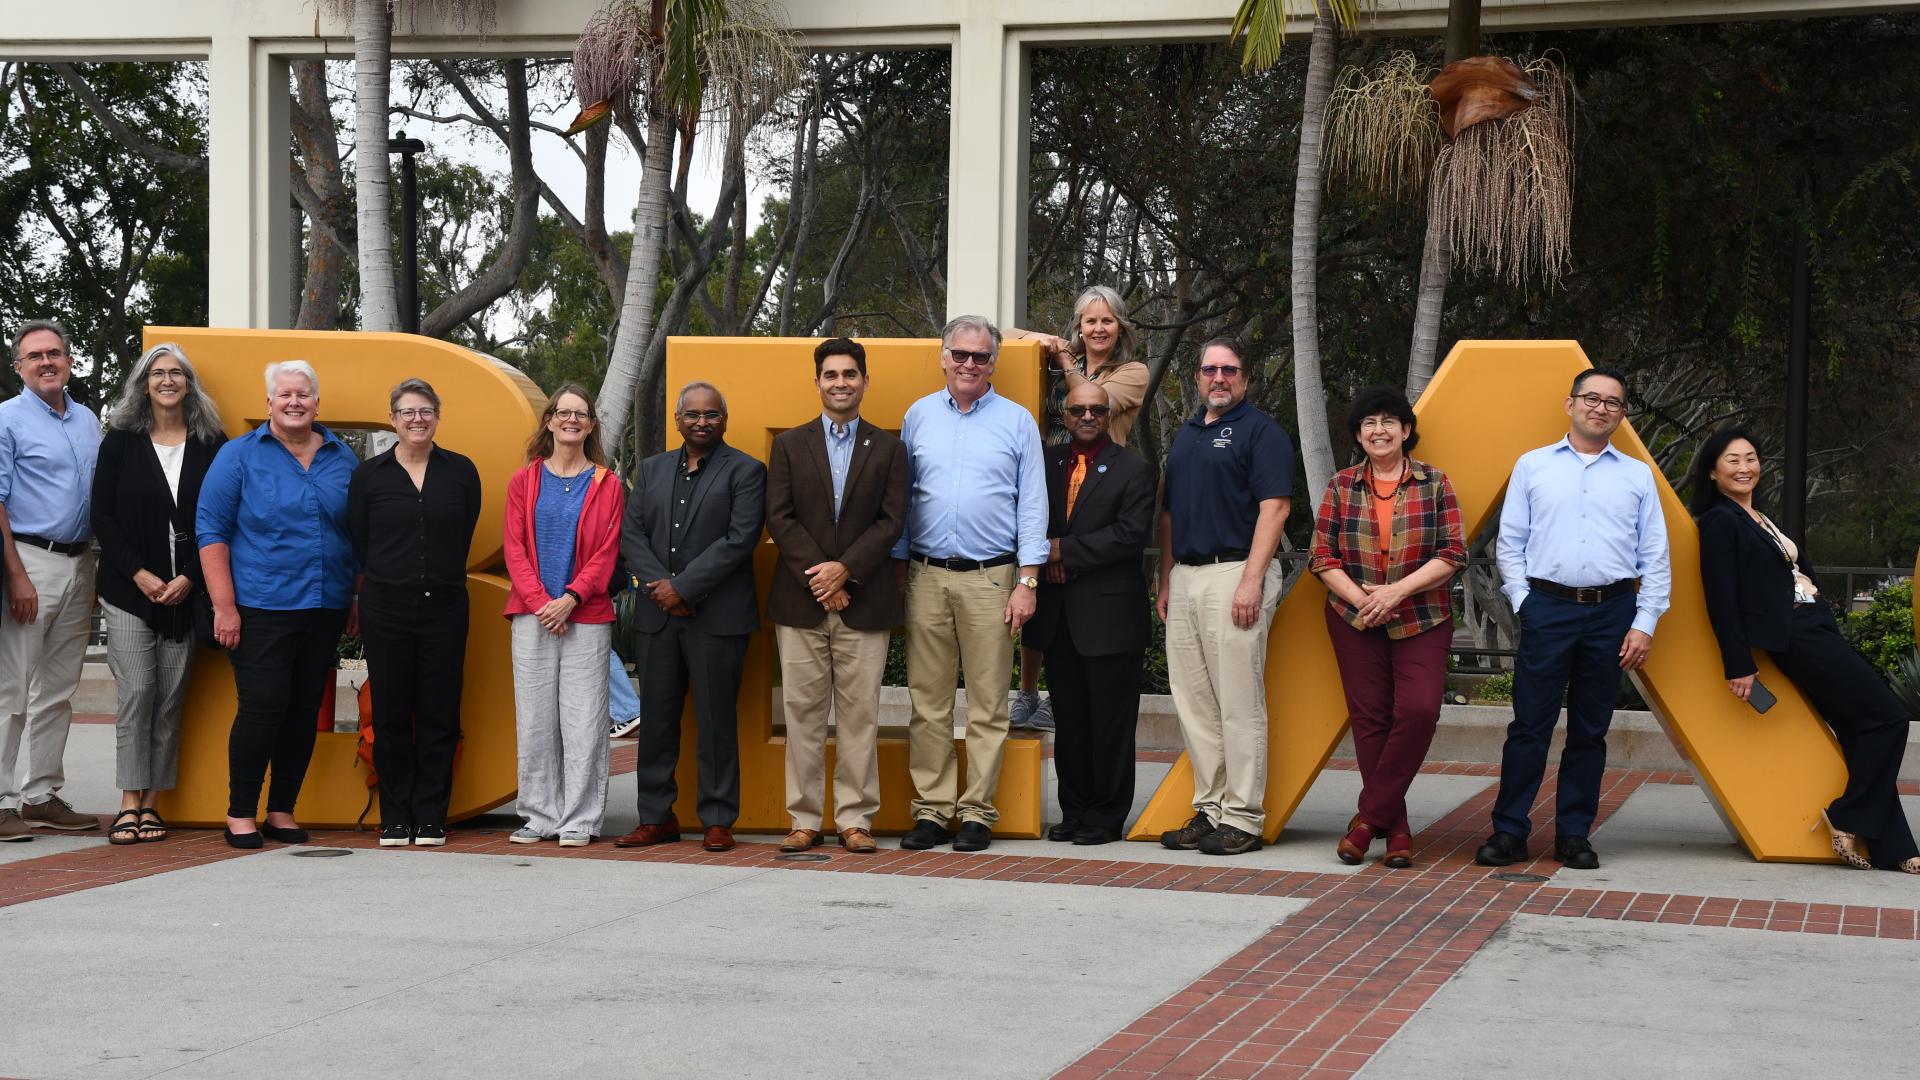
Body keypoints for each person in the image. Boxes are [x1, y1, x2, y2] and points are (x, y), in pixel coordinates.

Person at [1691, 428, 1918, 874]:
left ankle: (1893, 846)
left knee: (1861, 730)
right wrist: (1737, 664)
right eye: (1732, 460)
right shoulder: (1720, 521)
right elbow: (1720, 595)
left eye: (1751, 458)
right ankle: (1847, 814)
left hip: (1814, 626)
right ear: (1713, 473)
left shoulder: (1760, 517)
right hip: (1795, 634)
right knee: (1889, 719)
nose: (1744, 468)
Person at [1475, 368, 1670, 871]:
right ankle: (1509, 831)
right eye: (1591, 398)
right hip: (1548, 609)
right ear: (1570, 404)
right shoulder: (1533, 466)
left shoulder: (1636, 475)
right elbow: (1510, 544)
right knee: (1529, 727)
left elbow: (1655, 555)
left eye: (1613, 403)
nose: (1601, 408)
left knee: (1590, 729)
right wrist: (1525, 602)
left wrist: (1644, 622)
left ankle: (1574, 834)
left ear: (1621, 414)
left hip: (1612, 612)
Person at [891, 315, 1048, 853]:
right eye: (960, 354)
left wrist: (1027, 580)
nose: (969, 364)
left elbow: (1033, 505)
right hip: (927, 575)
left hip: (992, 578)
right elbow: (904, 498)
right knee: (927, 702)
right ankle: (932, 811)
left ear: (993, 363)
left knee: (988, 703)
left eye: (980, 357)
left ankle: (977, 811)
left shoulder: (1017, 421)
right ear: (943, 356)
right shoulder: (917, 417)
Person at [198, 360, 358, 849]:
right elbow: (212, 532)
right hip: (261, 605)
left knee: (303, 709)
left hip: (326, 603)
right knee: (263, 707)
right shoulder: (238, 456)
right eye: (285, 394)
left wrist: (355, 594)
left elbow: (358, 534)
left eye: (303, 395)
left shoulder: (342, 458)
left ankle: (282, 810)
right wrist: (223, 605)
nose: (294, 402)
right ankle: (240, 813)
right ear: (269, 402)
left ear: (316, 402)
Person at [1308, 386, 1465, 869]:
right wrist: (1363, 600)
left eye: (1388, 421)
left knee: (1418, 711)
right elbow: (1321, 556)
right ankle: (1396, 829)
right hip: (1353, 619)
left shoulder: (1435, 483)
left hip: (1423, 616)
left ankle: (1367, 818)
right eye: (1368, 424)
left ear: (1406, 430)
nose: (1379, 430)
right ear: (1358, 435)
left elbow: (1453, 552)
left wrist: (1395, 593)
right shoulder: (1340, 485)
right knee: (1370, 720)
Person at [764, 338, 908, 855]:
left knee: (859, 715)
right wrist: (822, 580)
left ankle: (854, 818)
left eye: (850, 374)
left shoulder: (889, 448)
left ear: (865, 381)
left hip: (863, 602)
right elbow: (779, 517)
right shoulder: (789, 445)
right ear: (818, 382)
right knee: (803, 714)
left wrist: (845, 572)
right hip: (801, 604)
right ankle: (804, 818)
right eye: (831, 375)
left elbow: (892, 521)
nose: (841, 383)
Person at [1155, 337, 1294, 857]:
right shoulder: (1188, 435)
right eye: (1210, 369)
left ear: (1245, 378)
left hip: (1236, 570)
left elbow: (1275, 509)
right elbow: (1168, 516)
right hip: (1188, 576)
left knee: (1238, 705)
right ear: (1197, 377)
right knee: (1196, 705)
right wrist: (1167, 577)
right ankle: (1210, 809)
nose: (1219, 378)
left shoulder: (1262, 433)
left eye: (1229, 370)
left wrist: (1253, 580)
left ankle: (1242, 817)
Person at [614, 382, 766, 854]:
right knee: (657, 721)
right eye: (693, 414)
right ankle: (656, 818)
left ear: (725, 419)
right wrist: (664, 590)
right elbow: (631, 533)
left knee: (717, 722)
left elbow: (739, 541)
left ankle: (718, 819)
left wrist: (682, 587)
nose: (703, 422)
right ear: (678, 419)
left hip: (717, 619)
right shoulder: (652, 470)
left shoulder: (746, 471)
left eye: (712, 414)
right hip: (660, 620)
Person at [90, 343, 227, 845]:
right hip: (129, 592)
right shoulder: (120, 441)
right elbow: (101, 515)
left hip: (186, 592)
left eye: (176, 373)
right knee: (138, 691)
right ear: (143, 384)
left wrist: (191, 576)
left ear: (189, 384)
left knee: (169, 699)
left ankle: (152, 805)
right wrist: (141, 575)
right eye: (157, 373)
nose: (167, 380)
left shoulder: (213, 443)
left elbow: (223, 517)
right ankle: (128, 801)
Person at [1011, 286, 1154, 732]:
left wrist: (1065, 360)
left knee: (1068, 573)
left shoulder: (1132, 371)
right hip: (1048, 479)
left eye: (1107, 320)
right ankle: (1029, 692)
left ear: (1121, 327)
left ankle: (1055, 694)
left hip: (1099, 489)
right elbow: (1002, 334)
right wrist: (1048, 339)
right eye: (1089, 320)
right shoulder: (1056, 361)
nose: (1097, 328)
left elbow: (1090, 398)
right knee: (1038, 587)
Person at [348, 378, 482, 848]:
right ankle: (395, 817)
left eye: (425, 411)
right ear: (393, 419)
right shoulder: (370, 477)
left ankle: (430, 816)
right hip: (387, 607)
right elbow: (361, 542)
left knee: (439, 713)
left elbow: (462, 533)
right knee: (389, 713)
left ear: (437, 416)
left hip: (445, 606)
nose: (417, 419)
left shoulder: (461, 472)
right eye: (408, 412)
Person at [1025, 382, 1155, 846]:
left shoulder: (1135, 469)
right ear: (1064, 416)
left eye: (1095, 410)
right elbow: (1029, 519)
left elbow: (1129, 535)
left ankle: (1106, 815)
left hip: (1110, 619)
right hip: (1058, 615)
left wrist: (1061, 552)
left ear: (1108, 414)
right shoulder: (1046, 464)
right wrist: (1048, 558)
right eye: (1077, 409)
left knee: (1110, 724)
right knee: (1072, 722)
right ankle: (1074, 809)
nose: (1086, 416)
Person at [502, 384, 625, 848]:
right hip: (533, 615)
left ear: (591, 425)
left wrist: (571, 597)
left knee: (584, 721)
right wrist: (541, 602)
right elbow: (514, 548)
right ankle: (539, 815)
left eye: (581, 414)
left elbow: (607, 552)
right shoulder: (524, 481)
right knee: (535, 719)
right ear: (549, 420)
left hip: (586, 615)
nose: (571, 420)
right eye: (563, 412)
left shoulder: (607, 483)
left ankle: (580, 818)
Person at [0, 319, 104, 842]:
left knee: (58, 688)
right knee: (11, 686)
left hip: (80, 561)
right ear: (19, 367)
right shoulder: (6, 420)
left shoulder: (88, 420)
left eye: (55, 353)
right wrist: (16, 575)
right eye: (35, 355)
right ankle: (0, 801)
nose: (47, 361)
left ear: (68, 360)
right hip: (27, 559)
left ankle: (40, 794)